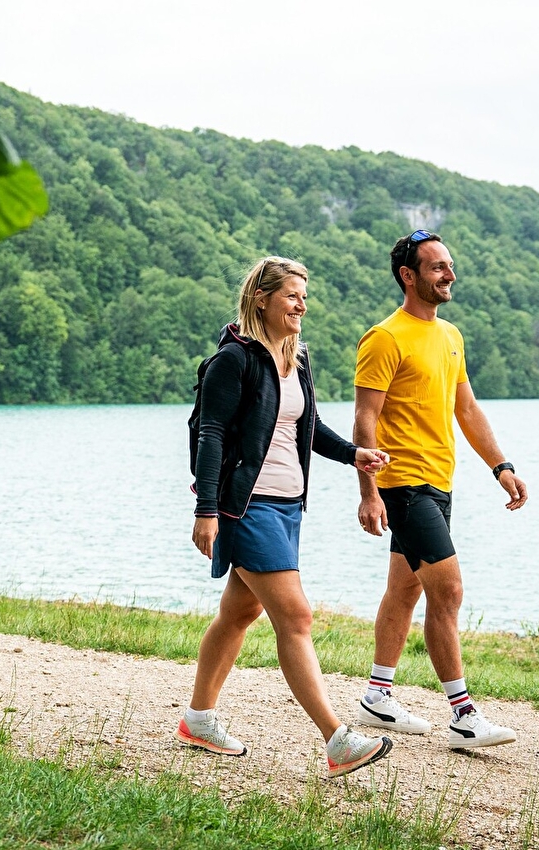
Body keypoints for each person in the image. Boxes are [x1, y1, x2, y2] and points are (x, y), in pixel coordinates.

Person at [182, 256, 395, 777]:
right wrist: (206, 510)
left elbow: (310, 426)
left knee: (239, 613)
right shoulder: (233, 360)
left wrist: (353, 455)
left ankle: (198, 720)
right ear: (262, 298)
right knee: (296, 618)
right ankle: (337, 739)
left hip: (286, 507)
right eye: (293, 295)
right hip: (245, 506)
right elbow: (211, 435)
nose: (302, 305)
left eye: (305, 296)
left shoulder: (297, 358)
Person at [351, 230, 529, 749]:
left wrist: (501, 465)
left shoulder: (450, 335)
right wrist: (369, 490)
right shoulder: (384, 338)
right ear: (408, 276)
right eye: (436, 268)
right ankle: (463, 715)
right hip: (403, 483)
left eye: (449, 266)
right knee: (447, 591)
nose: (449, 274)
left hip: (439, 482)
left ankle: (377, 695)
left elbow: (466, 409)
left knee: (404, 590)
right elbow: (366, 418)